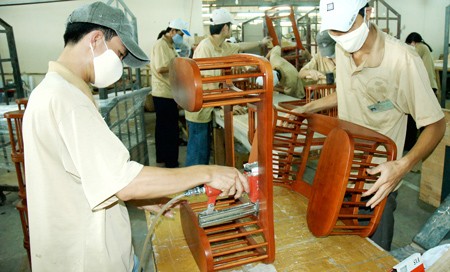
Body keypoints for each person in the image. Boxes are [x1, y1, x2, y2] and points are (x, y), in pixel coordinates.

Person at [22, 2, 249, 271]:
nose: (119, 66)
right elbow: (124, 180)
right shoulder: (68, 101)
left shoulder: (52, 91)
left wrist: (144, 197)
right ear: (95, 39)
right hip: (89, 259)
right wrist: (208, 172)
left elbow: (85, 176)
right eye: (119, 54)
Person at [292, 0, 445, 251]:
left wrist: (403, 166)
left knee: (372, 256)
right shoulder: (342, 49)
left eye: (347, 27)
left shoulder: (402, 60)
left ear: (368, 12)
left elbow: (436, 124)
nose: (341, 37)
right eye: (334, 31)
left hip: (376, 182)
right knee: (337, 251)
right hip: (342, 169)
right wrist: (307, 108)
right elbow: (349, 91)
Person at [184, 8, 272, 166]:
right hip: (199, 106)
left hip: (210, 104)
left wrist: (261, 42)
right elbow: (206, 81)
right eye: (230, 26)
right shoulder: (205, 47)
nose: (231, 29)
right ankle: (192, 187)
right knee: (198, 152)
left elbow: (240, 47)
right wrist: (227, 103)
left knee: (203, 150)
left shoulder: (222, 46)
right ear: (225, 28)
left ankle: (199, 184)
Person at [150, 18, 191, 168]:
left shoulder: (169, 45)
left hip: (166, 92)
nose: (182, 38)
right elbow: (161, 67)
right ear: (172, 31)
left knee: (162, 128)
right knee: (170, 129)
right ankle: (170, 161)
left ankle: (162, 157)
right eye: (181, 34)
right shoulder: (161, 45)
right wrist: (180, 65)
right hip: (164, 93)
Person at [404, 32, 439, 151]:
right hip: (428, 86)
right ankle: (417, 145)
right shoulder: (425, 48)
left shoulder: (420, 48)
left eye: (409, 44)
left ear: (413, 42)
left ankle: (416, 146)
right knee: (418, 119)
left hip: (425, 87)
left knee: (419, 120)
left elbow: (407, 59)